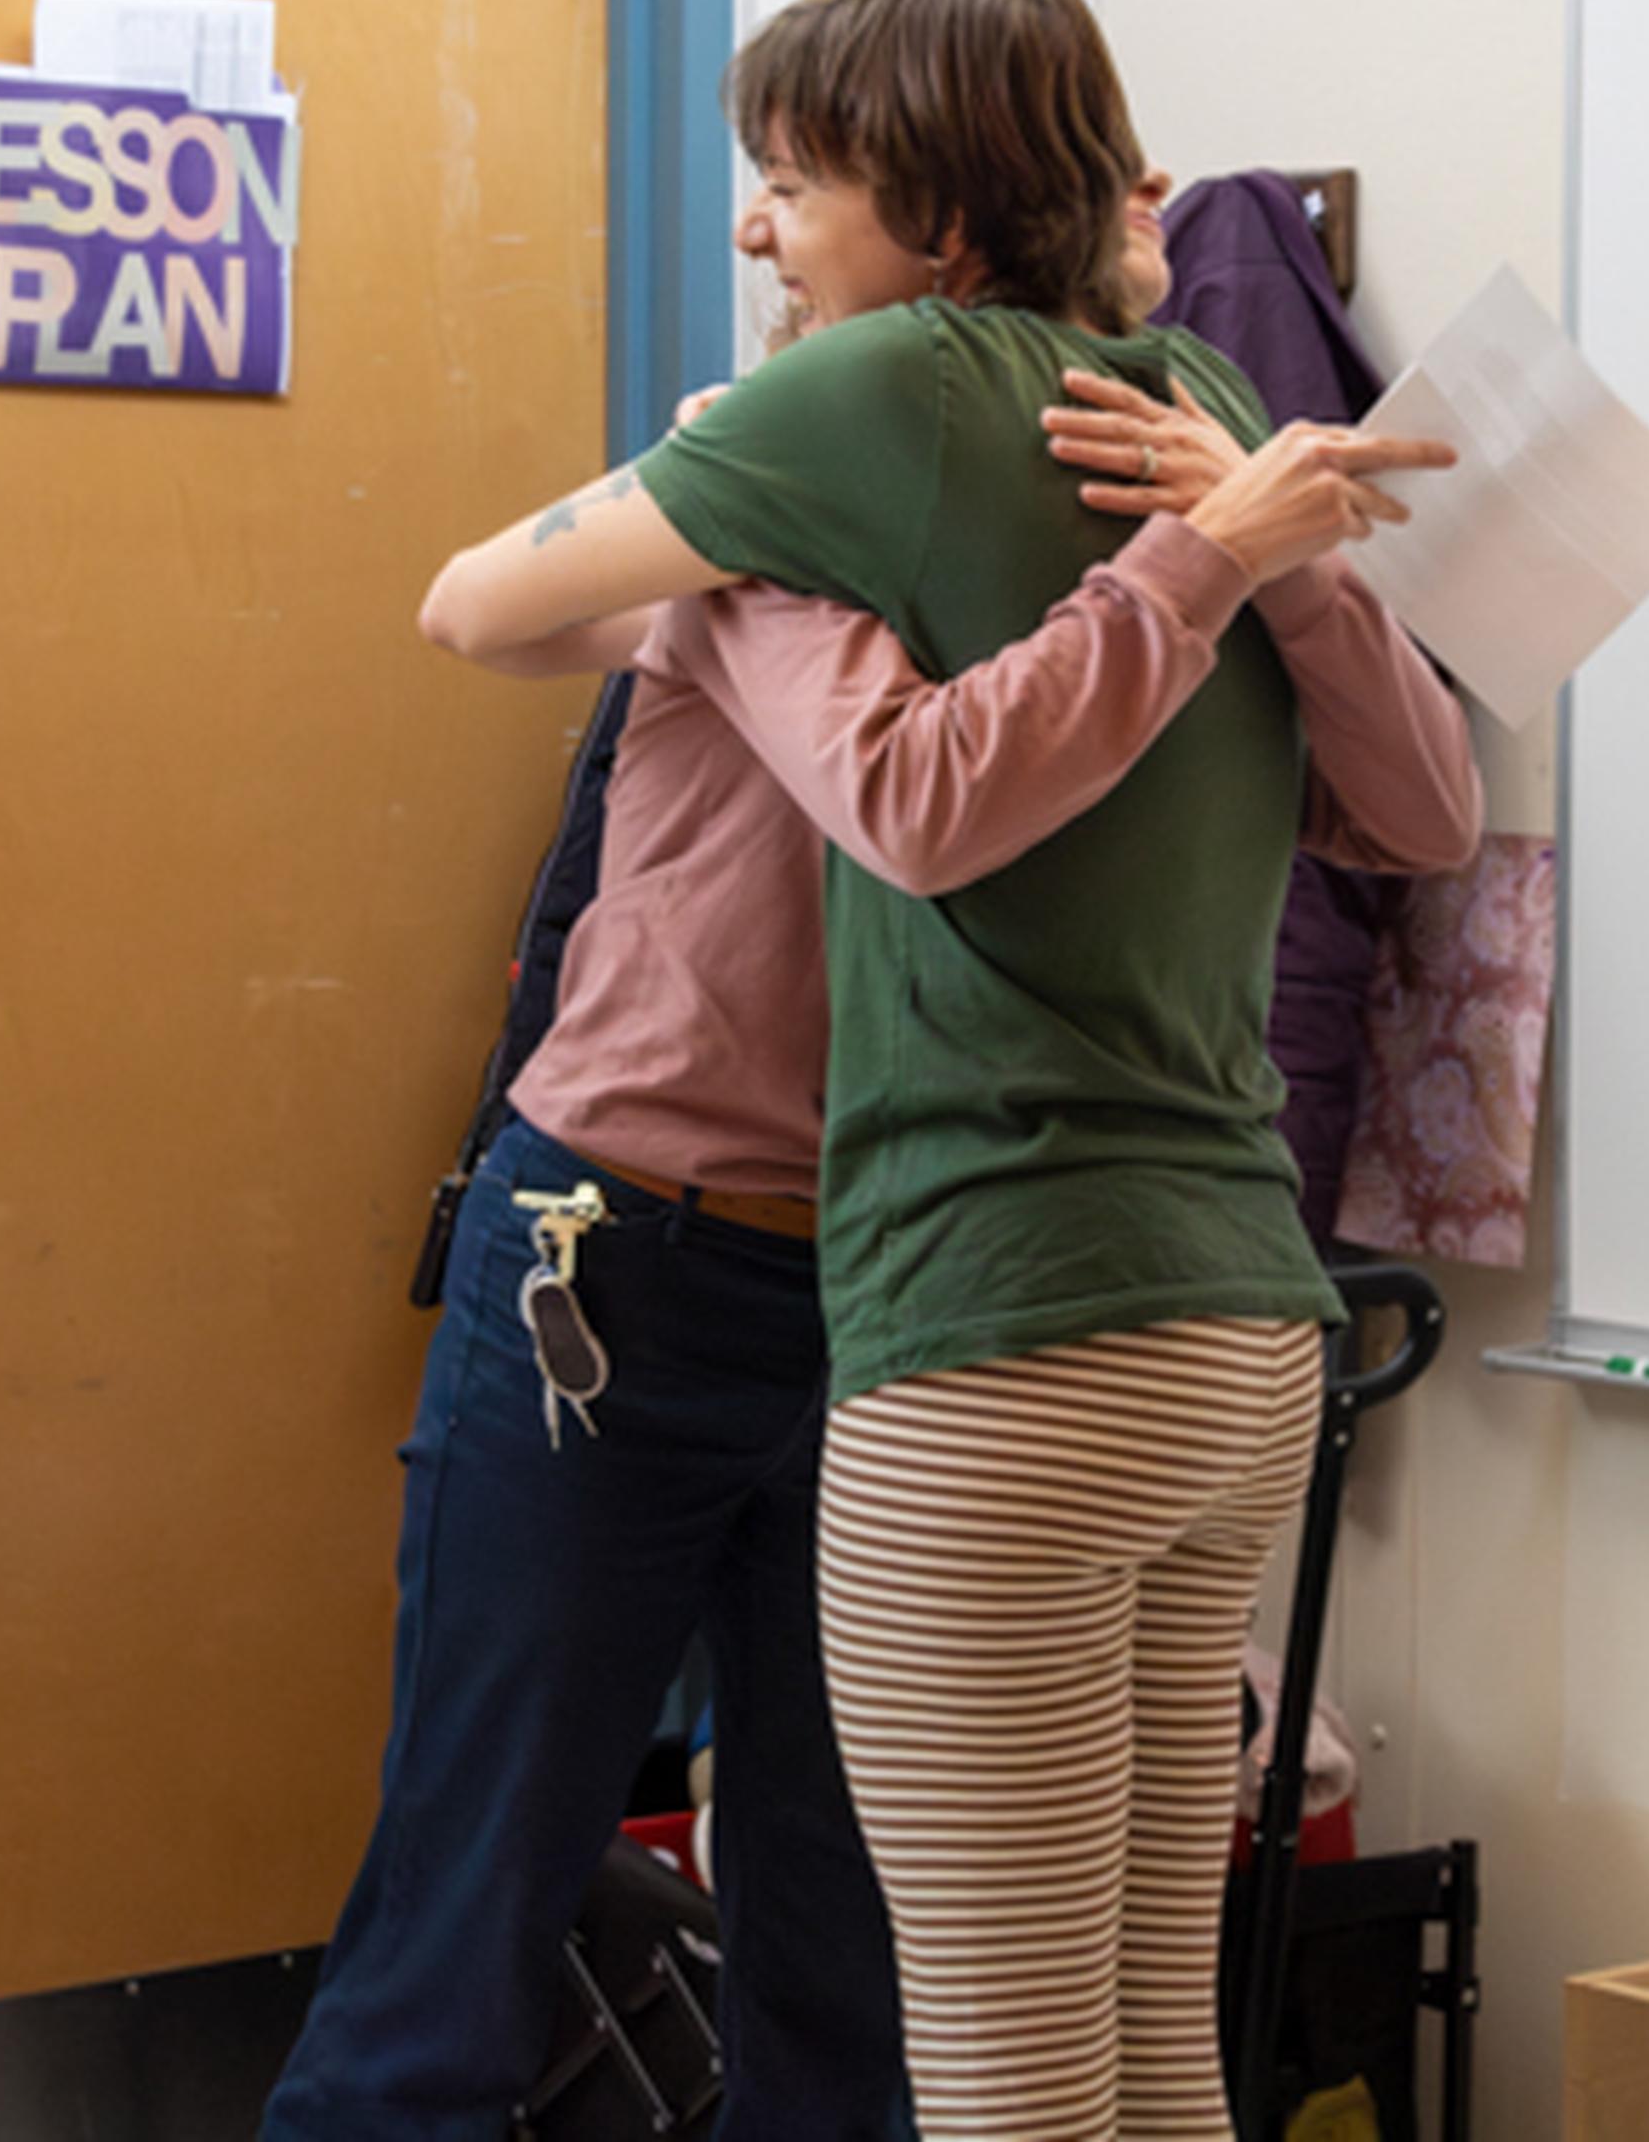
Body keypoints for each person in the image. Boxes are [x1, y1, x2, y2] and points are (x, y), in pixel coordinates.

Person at [270, 163, 1470, 2133]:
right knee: (459, 1928)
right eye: (758, 186)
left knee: (848, 1963)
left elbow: (1408, 810)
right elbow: (905, 790)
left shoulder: (1151, 500)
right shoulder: (774, 484)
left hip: (922, 1296)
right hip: (631, 1256)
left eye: (793, 187)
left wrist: (1267, 560)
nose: (753, 232)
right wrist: (1203, 567)